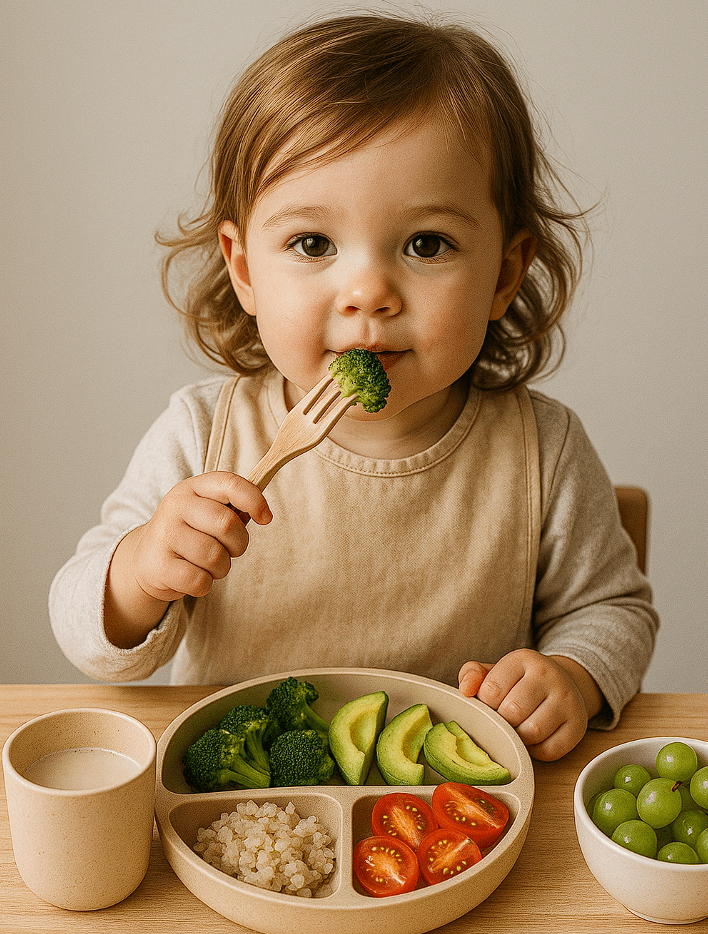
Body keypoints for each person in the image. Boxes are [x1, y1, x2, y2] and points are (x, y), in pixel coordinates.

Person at [49, 13, 658, 760]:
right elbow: (86, 631)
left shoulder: (544, 450)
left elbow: (616, 610)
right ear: (244, 269)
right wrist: (140, 570)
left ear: (504, 271)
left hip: (452, 812)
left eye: (426, 243)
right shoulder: (204, 435)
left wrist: (572, 674)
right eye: (313, 243)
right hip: (247, 823)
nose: (368, 290)